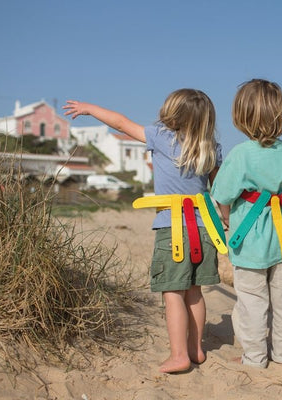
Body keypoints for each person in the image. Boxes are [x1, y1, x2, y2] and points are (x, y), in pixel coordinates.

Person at [63, 89, 229, 373]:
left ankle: (179, 355)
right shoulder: (210, 147)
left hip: (173, 228)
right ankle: (196, 349)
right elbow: (221, 189)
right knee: (195, 291)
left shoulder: (162, 137)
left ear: (173, 112)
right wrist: (226, 218)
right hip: (204, 228)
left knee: (172, 293)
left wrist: (90, 108)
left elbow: (120, 123)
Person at [210, 79, 282, 368]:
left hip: (249, 241)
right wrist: (279, 191)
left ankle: (255, 357)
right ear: (281, 114)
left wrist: (228, 218)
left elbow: (222, 195)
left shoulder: (240, 154)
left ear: (240, 117)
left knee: (252, 301)